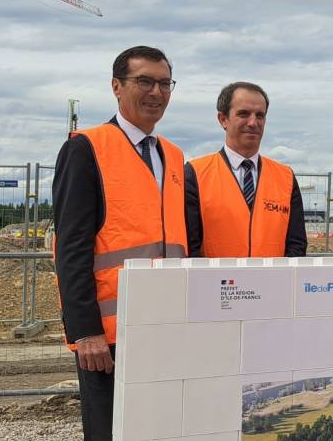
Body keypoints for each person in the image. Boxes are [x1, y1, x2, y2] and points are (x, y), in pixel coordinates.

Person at [53, 46, 187, 441]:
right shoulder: (86, 148)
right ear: (116, 86)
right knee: (110, 432)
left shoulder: (174, 157)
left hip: (164, 325)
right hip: (108, 336)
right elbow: (71, 247)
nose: (156, 92)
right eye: (144, 81)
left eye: (164, 83)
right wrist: (84, 331)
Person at [185, 82, 307, 257]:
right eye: (243, 114)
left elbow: (296, 244)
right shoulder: (195, 173)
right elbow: (190, 246)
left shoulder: (285, 177)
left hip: (273, 282)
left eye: (260, 115)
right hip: (217, 282)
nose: (253, 122)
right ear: (223, 119)